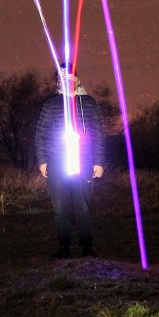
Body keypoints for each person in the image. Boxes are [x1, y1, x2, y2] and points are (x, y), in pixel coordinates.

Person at [33, 65, 106, 258]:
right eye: (63, 76)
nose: (67, 79)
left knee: (82, 207)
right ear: (58, 80)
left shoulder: (89, 103)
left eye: (71, 76)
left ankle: (87, 247)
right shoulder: (50, 104)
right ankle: (64, 248)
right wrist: (42, 160)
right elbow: (40, 134)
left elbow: (99, 134)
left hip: (84, 163)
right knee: (60, 209)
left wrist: (99, 161)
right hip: (57, 163)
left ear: (77, 79)